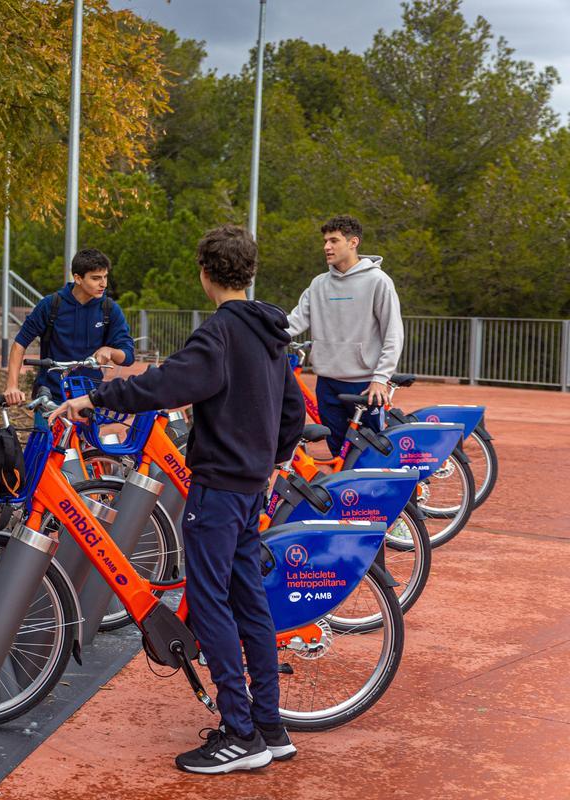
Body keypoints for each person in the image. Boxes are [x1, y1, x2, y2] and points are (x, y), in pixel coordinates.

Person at [51, 225, 304, 774]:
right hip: (250, 485)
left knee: (210, 603)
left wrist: (96, 397)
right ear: (249, 272)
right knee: (249, 604)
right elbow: (292, 414)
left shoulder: (219, 333)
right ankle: (269, 724)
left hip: (217, 486)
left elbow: (166, 384)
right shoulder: (272, 334)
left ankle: (240, 733)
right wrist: (270, 459)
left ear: (204, 273)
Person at [286, 215, 404, 456]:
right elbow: (294, 322)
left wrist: (380, 378)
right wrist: (256, 329)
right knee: (339, 452)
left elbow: (393, 332)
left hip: (364, 384)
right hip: (327, 383)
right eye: (325, 241)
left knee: (372, 452)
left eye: (334, 241)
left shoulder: (377, 281)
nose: (326, 247)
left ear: (353, 242)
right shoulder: (318, 284)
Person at [3, 248, 134, 404]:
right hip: (50, 396)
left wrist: (111, 351)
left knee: (88, 429)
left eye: (105, 277)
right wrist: (12, 386)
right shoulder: (51, 305)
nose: (103, 284)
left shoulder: (109, 309)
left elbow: (128, 356)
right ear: (78, 278)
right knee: (45, 430)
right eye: (96, 278)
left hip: (89, 398)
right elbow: (20, 344)